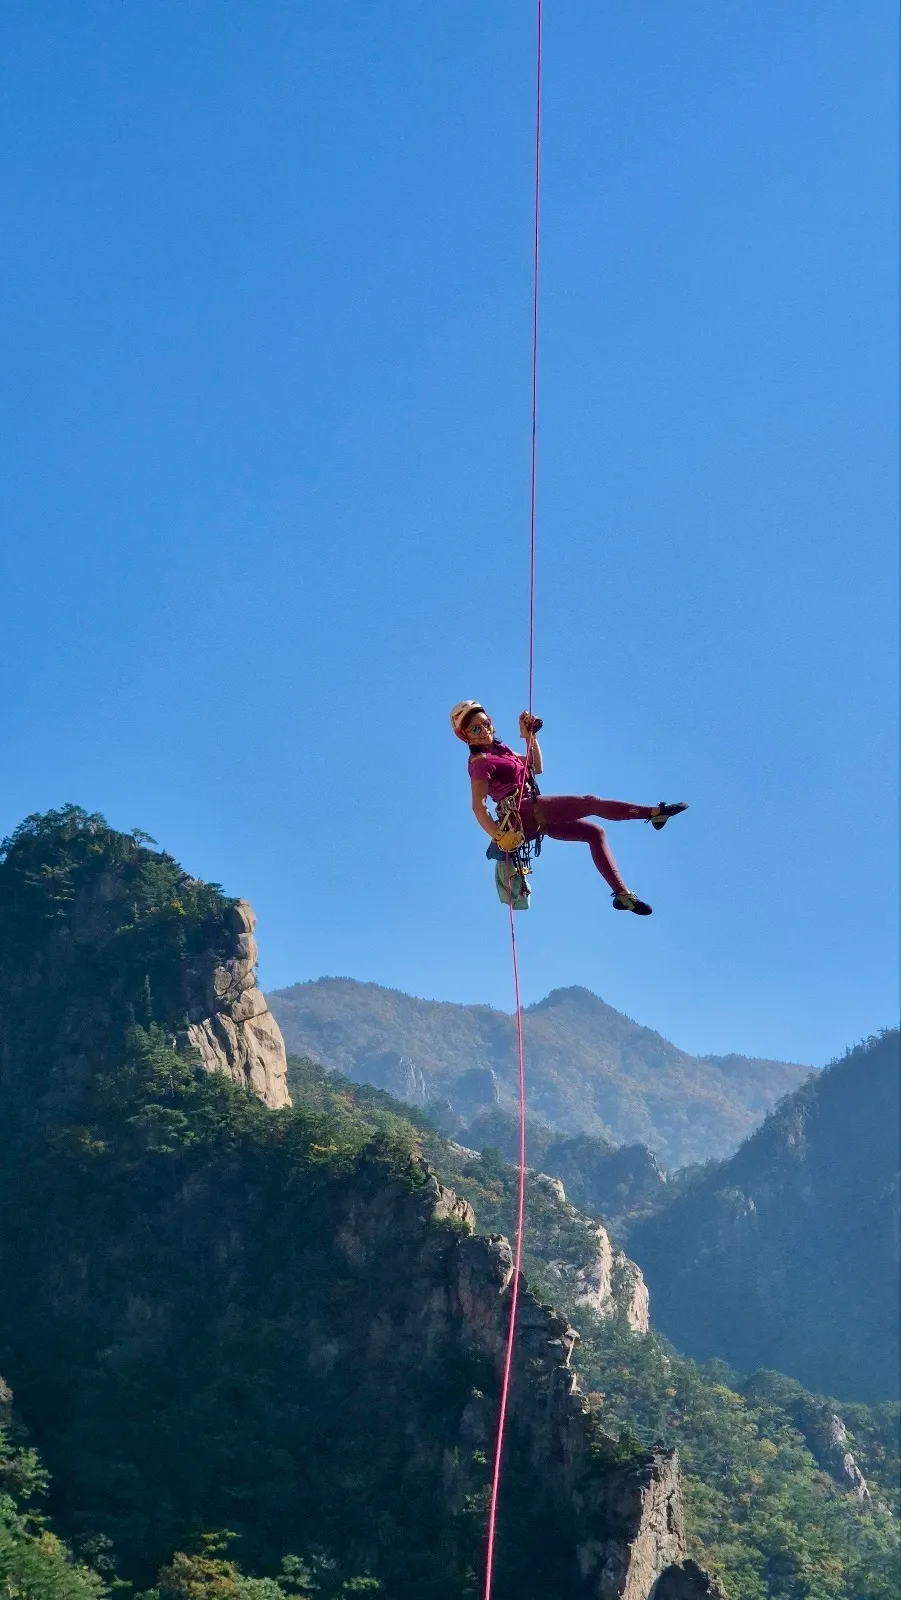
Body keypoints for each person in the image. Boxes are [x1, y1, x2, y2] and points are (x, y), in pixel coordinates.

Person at [449, 700, 687, 916]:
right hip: (523, 812)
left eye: (486, 723)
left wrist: (529, 736)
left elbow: (535, 767)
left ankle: (622, 895)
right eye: (476, 729)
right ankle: (654, 813)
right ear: (466, 737)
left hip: (534, 817)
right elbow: (478, 807)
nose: (485, 730)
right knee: (590, 802)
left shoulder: (502, 752)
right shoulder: (480, 763)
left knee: (594, 833)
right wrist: (499, 836)